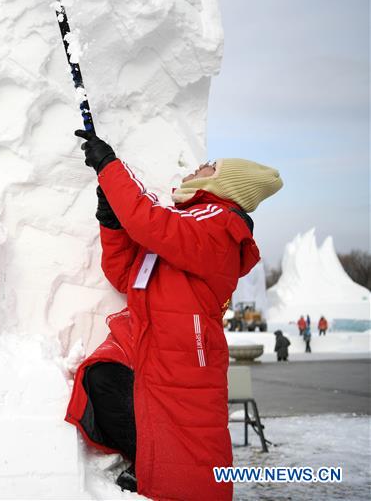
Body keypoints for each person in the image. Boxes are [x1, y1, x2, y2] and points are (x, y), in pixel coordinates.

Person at [64, 130, 283, 501]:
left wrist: (110, 167)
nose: (197, 167)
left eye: (209, 166)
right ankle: (148, 463)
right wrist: (111, 222)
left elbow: (149, 221)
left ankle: (157, 473)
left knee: (189, 446)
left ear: (223, 184)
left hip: (185, 353)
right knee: (103, 381)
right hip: (156, 349)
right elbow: (125, 274)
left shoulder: (218, 224)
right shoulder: (186, 226)